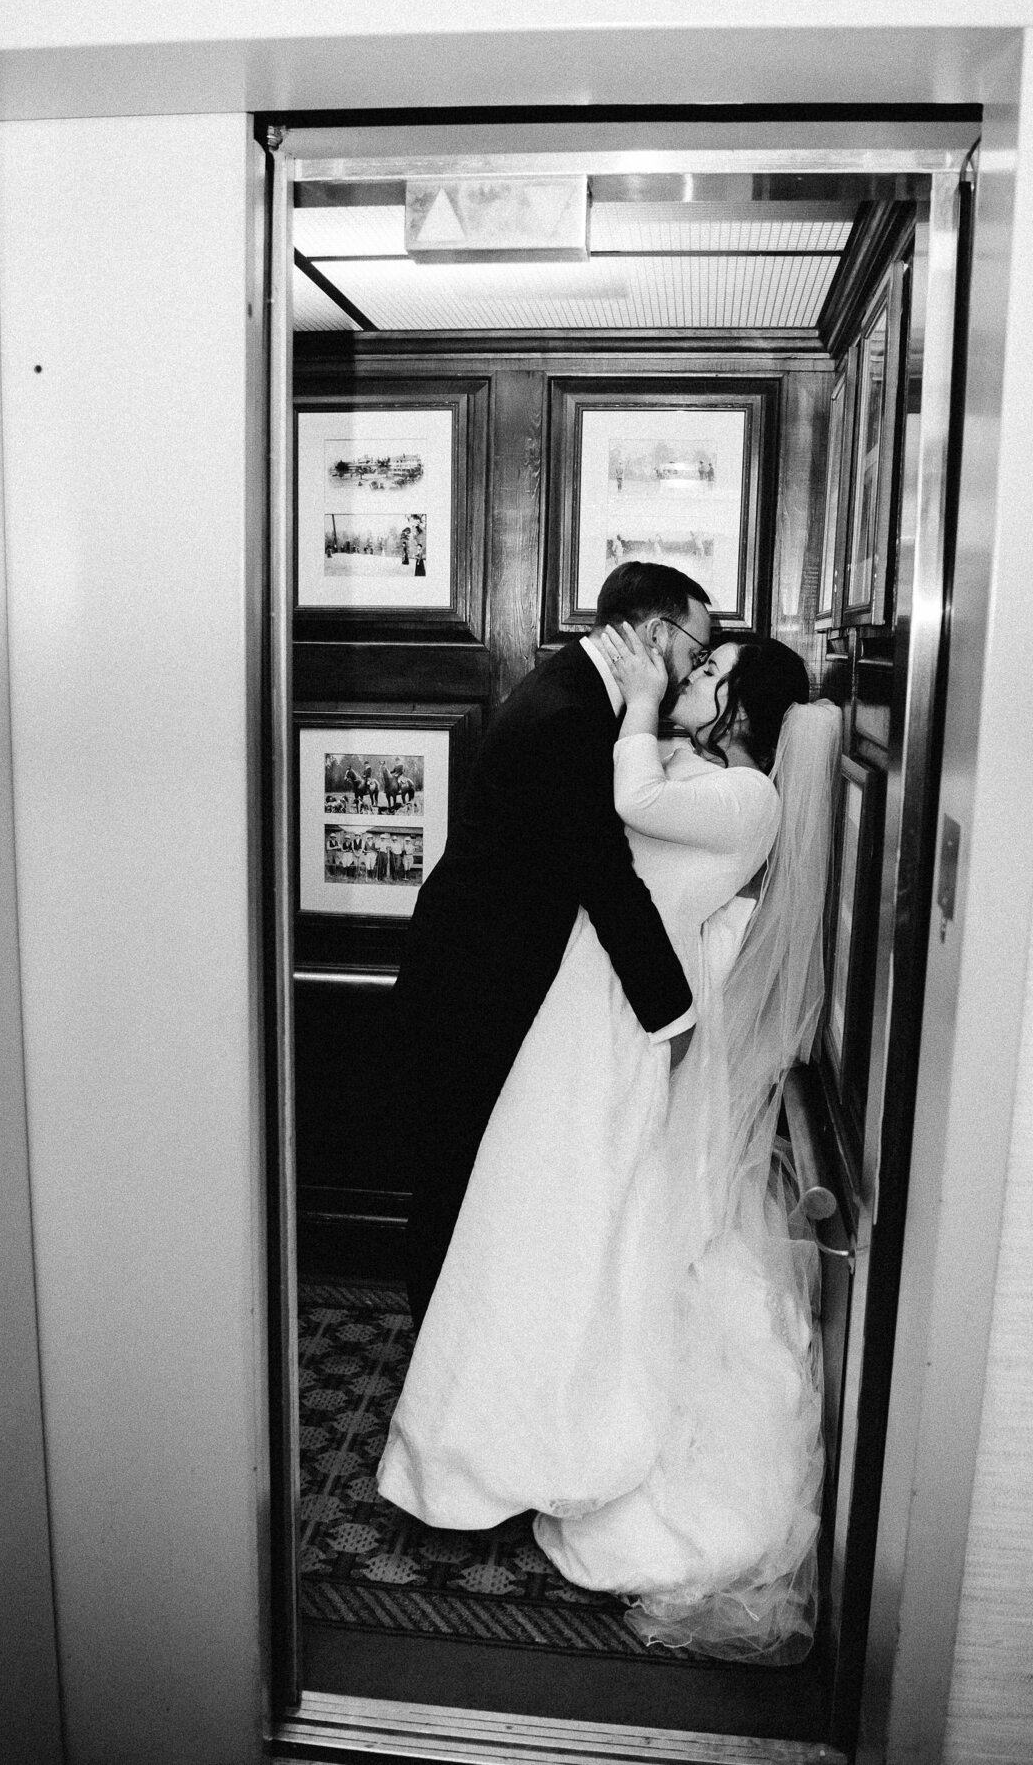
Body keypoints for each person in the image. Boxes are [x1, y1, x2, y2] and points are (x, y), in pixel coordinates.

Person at [378, 622, 840, 1663]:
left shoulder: (749, 797)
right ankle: (472, 1454)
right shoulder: (689, 767)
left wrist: (632, 709)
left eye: (710, 671)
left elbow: (630, 808)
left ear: (746, 712)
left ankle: (558, 1445)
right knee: (528, 1224)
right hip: (581, 1013)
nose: (685, 676)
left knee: (572, 1229)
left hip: (624, 1033)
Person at [390, 562, 714, 1332]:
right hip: (467, 986)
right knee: (452, 1185)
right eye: (697, 650)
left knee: (469, 1180)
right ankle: (433, 1365)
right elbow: (606, 877)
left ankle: (452, 1352)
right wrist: (672, 1015)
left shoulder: (581, 691)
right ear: (656, 634)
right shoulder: (568, 713)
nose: (697, 668)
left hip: (483, 971)